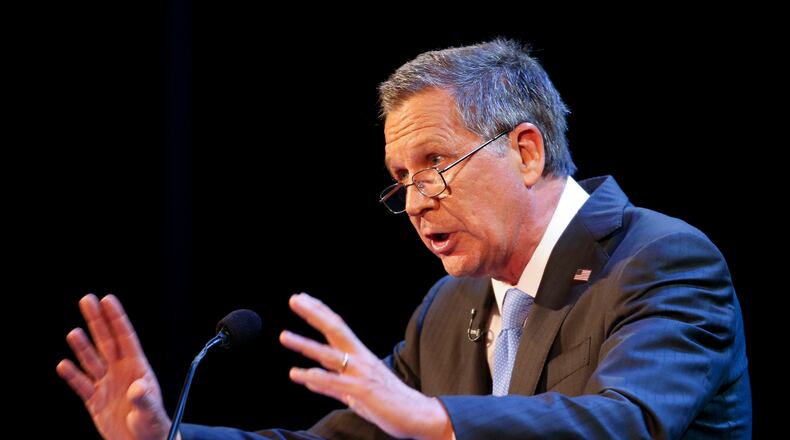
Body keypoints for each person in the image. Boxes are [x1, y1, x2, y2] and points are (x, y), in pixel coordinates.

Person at [57, 39, 752, 439]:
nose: (417, 203)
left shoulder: (660, 260)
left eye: (436, 167)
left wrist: (431, 418)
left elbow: (627, 422)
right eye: (400, 179)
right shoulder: (450, 307)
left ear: (528, 151)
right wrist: (166, 437)